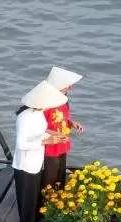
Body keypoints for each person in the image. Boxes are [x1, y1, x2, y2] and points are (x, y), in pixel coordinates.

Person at [12, 83, 59, 222]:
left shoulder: (39, 114)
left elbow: (40, 131)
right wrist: (46, 141)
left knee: (33, 198)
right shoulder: (24, 118)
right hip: (25, 164)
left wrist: (54, 134)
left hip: (36, 162)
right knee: (27, 200)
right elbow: (21, 144)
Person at [39, 66, 82, 201]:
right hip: (50, 146)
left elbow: (62, 118)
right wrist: (54, 136)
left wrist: (71, 123)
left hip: (62, 143)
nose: (68, 89)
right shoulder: (44, 103)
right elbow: (39, 126)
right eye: (65, 87)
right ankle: (46, 205)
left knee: (60, 176)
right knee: (50, 179)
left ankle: (58, 202)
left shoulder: (64, 100)